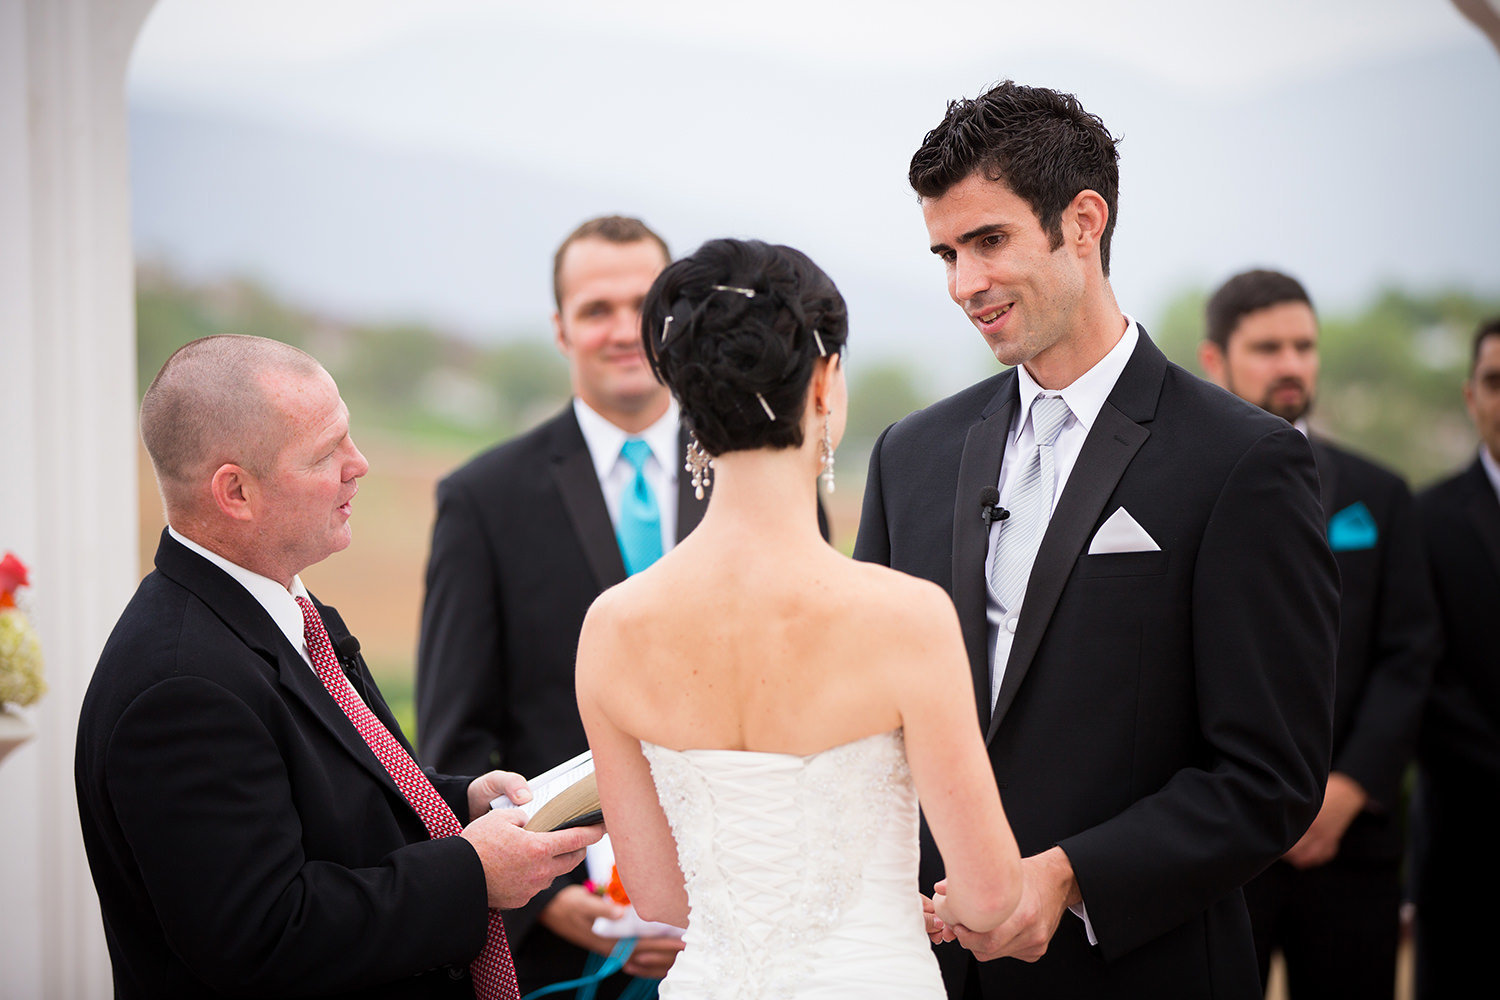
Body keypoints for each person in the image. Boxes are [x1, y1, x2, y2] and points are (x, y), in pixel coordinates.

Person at [852, 80, 1339, 999]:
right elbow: (868, 721)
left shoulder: (1245, 463)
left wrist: (1069, 876)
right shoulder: (910, 455)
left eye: (988, 241)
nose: (965, 285)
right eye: (946, 254)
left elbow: (1270, 777)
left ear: (1083, 220)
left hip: (1138, 970)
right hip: (922, 975)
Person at [75, 334, 601, 1000]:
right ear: (235, 490)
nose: (361, 465)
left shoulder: (283, 608)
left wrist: (459, 800)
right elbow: (262, 937)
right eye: (328, 452)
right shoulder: (181, 687)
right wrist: (471, 873)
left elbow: (328, 804)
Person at [575, 237, 1023, 999]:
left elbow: (660, 897)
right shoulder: (907, 618)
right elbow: (989, 896)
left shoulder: (612, 627)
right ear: (822, 383)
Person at [415, 215, 695, 994]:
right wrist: (552, 899)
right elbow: (456, 732)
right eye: (595, 309)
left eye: (642, 304)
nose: (622, 330)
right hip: (560, 940)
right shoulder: (482, 500)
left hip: (741, 920)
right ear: (560, 329)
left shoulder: (755, 475)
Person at [1199, 268, 1439, 999]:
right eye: (1268, 347)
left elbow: (1410, 653)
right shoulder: (1181, 490)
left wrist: (1348, 787)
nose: (1292, 364)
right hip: (1218, 843)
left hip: (1352, 844)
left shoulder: (1380, 495)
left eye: (1304, 345)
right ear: (1216, 360)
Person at [1411, 316, 1500, 1000]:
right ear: (1470, 396)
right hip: (1469, 845)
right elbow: (1421, 670)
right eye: (1496, 382)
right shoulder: (1425, 519)